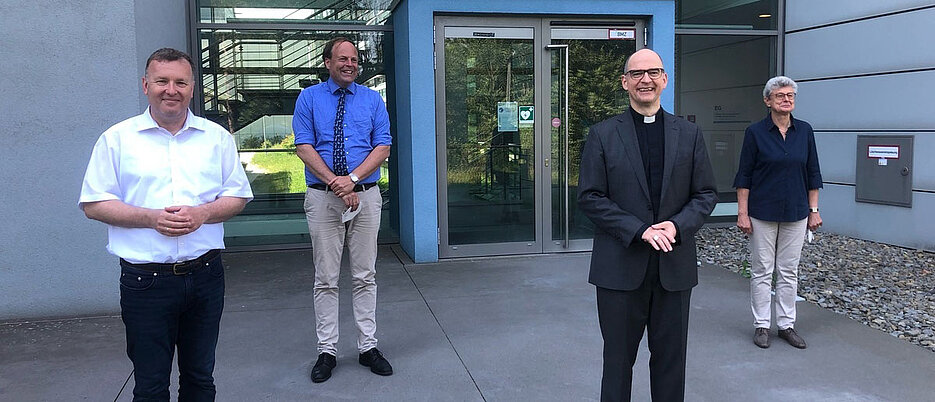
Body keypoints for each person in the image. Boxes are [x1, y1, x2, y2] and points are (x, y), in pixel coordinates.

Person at [79, 47, 253, 401]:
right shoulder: (117, 139)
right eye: (162, 81)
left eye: (180, 82)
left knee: (200, 379)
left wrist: (204, 213)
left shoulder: (215, 137)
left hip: (206, 278)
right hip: (146, 282)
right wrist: (150, 218)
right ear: (146, 85)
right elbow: (94, 204)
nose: (170, 90)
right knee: (150, 386)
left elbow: (238, 196)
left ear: (192, 88)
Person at [578, 48, 718, 401]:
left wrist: (676, 226)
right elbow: (590, 197)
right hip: (620, 269)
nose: (646, 80)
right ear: (625, 82)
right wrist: (639, 230)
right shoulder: (603, 134)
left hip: (674, 268)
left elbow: (705, 194)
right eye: (637, 74)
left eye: (653, 72)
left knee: (672, 363)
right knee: (617, 363)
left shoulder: (689, 134)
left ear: (664, 80)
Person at [293, 37, 393, 383]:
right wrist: (336, 183)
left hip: (365, 196)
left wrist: (351, 179)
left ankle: (368, 347)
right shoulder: (309, 98)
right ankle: (327, 351)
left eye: (354, 59)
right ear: (327, 62)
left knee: (366, 274)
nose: (349, 64)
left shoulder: (372, 99)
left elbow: (383, 146)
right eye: (342, 58)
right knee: (326, 278)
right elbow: (303, 146)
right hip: (323, 197)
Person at [734, 76, 822, 350]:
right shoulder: (755, 133)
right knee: (762, 270)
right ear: (767, 101)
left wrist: (814, 210)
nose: (786, 99)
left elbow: (813, 173)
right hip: (762, 212)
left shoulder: (805, 131)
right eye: (780, 95)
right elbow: (745, 175)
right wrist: (742, 213)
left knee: (788, 270)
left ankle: (786, 325)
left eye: (790, 95)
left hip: (796, 213)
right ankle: (762, 324)